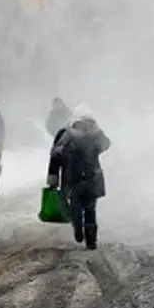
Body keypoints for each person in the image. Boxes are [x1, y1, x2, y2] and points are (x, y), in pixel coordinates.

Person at [46, 103, 111, 250]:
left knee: (77, 205)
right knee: (89, 209)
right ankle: (91, 240)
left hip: (73, 177)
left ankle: (78, 228)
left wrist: (53, 178)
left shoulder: (67, 134)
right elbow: (106, 144)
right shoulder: (94, 135)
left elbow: (55, 156)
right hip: (91, 176)